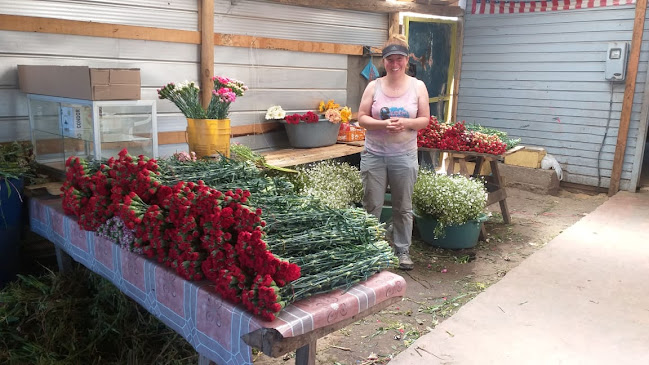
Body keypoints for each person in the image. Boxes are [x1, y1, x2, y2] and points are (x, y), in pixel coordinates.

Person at [357, 35, 430, 270]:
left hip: (404, 155)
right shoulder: (374, 86)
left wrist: (406, 123)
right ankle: (370, 249)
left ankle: (402, 251)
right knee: (372, 204)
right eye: (390, 59)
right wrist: (383, 125)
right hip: (374, 154)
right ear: (384, 61)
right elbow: (362, 118)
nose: (395, 64)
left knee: (403, 206)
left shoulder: (417, 86)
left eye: (399, 59)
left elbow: (424, 120)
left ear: (406, 60)